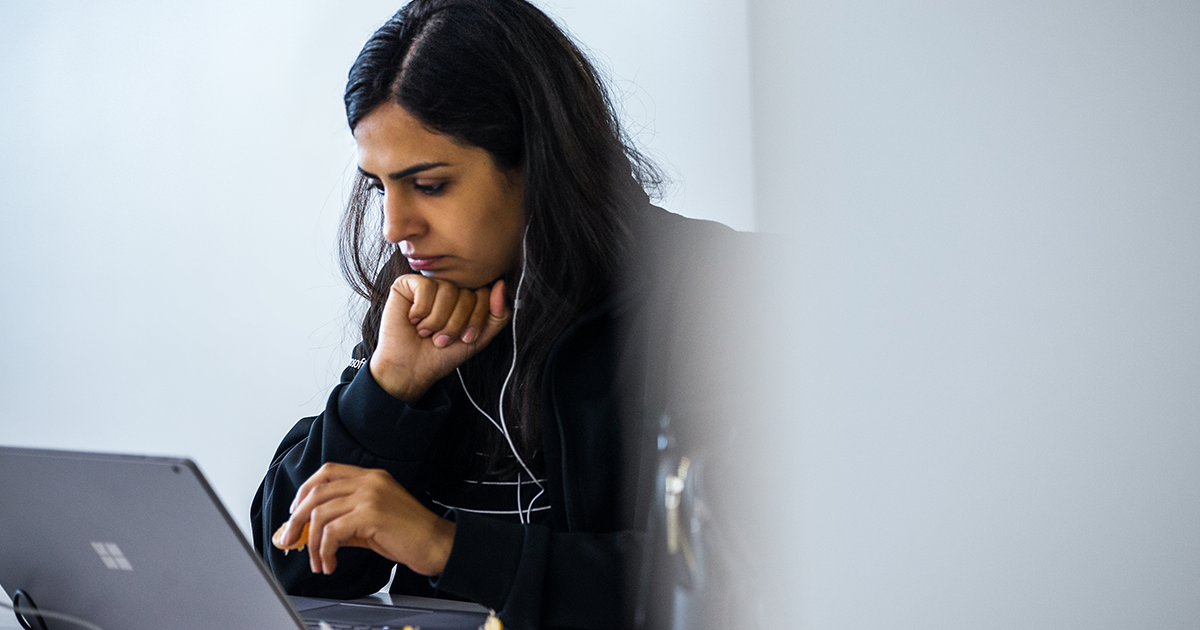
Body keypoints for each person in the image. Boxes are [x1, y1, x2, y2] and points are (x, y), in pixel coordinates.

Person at [250, 1, 741, 628]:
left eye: (429, 185)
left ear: (538, 162)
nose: (395, 228)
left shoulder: (711, 288)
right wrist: (388, 388)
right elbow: (288, 562)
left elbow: (724, 579)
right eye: (379, 187)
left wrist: (444, 546)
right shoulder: (426, 298)